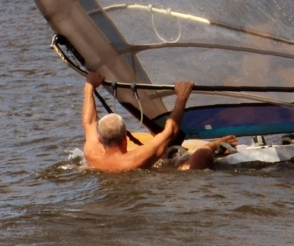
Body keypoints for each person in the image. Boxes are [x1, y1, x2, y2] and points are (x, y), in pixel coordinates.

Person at [81, 72, 230, 172]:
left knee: (164, 155)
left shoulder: (92, 153)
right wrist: (182, 97)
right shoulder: (134, 159)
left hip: (113, 172)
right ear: (124, 138)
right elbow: (170, 131)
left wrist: (89, 87)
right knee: (203, 154)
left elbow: (89, 123)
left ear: (100, 137)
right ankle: (214, 144)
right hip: (147, 176)